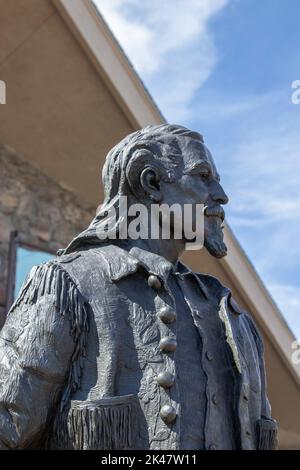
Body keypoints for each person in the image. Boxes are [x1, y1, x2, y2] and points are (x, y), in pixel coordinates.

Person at [0, 125, 277, 449]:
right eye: (203, 176)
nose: (220, 194)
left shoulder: (233, 318)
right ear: (150, 182)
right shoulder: (68, 286)